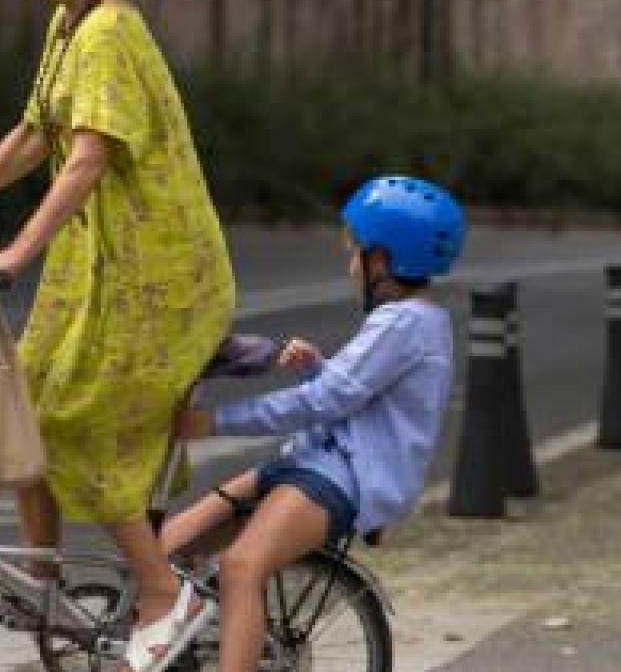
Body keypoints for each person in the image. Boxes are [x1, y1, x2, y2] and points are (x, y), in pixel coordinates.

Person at [0, 0, 234, 672]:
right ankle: (43, 582)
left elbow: (87, 156)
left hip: (158, 276)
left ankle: (164, 592)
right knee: (29, 405)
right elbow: (36, 136)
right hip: (99, 263)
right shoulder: (69, 26)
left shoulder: (106, 33)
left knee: (76, 428)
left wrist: (16, 252)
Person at [162, 176, 463, 672]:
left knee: (241, 567)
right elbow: (355, 392)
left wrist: (212, 421)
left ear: (381, 261)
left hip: (342, 478)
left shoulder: (404, 323)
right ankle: (200, 641)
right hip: (313, 463)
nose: (350, 265)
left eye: (355, 253)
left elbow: (324, 402)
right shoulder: (414, 320)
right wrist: (319, 367)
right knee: (171, 547)